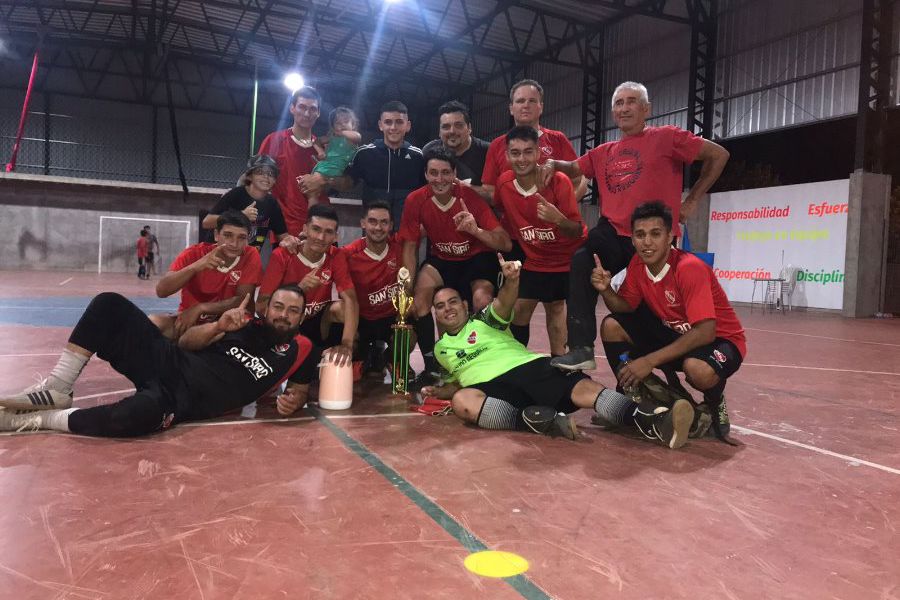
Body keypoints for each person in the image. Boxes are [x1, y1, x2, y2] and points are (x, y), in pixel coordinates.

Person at [544, 81, 730, 374]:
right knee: (581, 261)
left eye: (631, 102)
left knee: (645, 312)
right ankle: (580, 347)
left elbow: (719, 154)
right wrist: (552, 163)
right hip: (612, 233)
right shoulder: (604, 151)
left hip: (650, 239)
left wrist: (692, 199)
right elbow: (574, 168)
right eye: (619, 103)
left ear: (646, 109)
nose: (624, 108)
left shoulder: (667, 138)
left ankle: (653, 378)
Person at [419, 254, 694, 449]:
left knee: (584, 390)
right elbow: (458, 379)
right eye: (440, 306)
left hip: (525, 367)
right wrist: (442, 391)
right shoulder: (441, 350)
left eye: (453, 302)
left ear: (465, 305)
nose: (448, 308)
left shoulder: (483, 320)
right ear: (435, 314)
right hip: (490, 390)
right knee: (462, 402)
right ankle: (536, 421)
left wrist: (512, 281)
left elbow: (503, 303)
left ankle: (654, 420)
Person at [0, 286, 315, 435]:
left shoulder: (301, 348)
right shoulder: (243, 323)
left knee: (137, 416)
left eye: (292, 311)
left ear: (302, 315)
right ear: (267, 307)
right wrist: (219, 327)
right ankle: (58, 388)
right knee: (109, 303)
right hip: (168, 360)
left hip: (181, 400)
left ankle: (42, 420)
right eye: (278, 307)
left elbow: (300, 392)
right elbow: (186, 342)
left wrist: (295, 401)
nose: (283, 315)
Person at [590, 202, 746, 438]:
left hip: (720, 340)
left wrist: (648, 361)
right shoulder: (637, 264)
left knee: (698, 371)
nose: (647, 242)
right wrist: (606, 290)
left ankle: (715, 402)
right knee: (612, 325)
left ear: (670, 237)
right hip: (677, 334)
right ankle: (632, 400)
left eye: (655, 234)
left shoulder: (689, 268)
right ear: (632, 239)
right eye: (640, 235)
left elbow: (705, 332)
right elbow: (626, 306)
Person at [399, 148, 511, 382]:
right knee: (419, 302)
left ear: (455, 174)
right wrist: (405, 290)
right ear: (426, 174)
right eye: (433, 173)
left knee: (482, 301)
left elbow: (505, 243)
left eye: (445, 173)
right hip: (442, 258)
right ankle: (433, 366)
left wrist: (475, 230)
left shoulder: (470, 198)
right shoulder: (415, 200)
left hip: (476, 258)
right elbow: (410, 248)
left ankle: (484, 358)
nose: (439, 179)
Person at [493, 126, 586, 355]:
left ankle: (561, 365)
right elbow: (500, 211)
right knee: (520, 308)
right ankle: (514, 361)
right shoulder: (504, 184)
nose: (522, 159)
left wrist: (559, 219)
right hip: (535, 259)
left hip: (566, 260)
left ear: (538, 154)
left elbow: (576, 231)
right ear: (507, 156)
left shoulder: (559, 181)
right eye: (515, 153)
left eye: (528, 152)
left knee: (556, 308)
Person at [257, 204, 358, 367]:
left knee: (344, 308)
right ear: (305, 229)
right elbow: (261, 306)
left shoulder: (336, 256)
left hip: (318, 322)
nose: (321, 237)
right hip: (289, 321)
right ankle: (279, 356)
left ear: (335, 237)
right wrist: (299, 290)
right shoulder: (283, 255)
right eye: (316, 229)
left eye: (328, 232)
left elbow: (351, 299)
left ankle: (336, 357)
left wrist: (347, 344)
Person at [300, 100, 425, 228]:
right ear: (380, 125)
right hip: (374, 230)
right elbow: (347, 183)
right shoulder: (364, 153)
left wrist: (422, 222)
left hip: (406, 230)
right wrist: (325, 178)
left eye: (399, 122)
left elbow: (425, 194)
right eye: (388, 122)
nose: (393, 127)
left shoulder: (418, 156)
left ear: (408, 125)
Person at [151, 210, 263, 340]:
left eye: (241, 237)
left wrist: (201, 308)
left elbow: (242, 299)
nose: (234, 243)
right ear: (216, 235)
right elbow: (162, 291)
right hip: (189, 320)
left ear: (247, 239)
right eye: (228, 235)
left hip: (228, 323)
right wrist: (196, 267)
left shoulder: (250, 255)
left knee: (195, 339)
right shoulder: (194, 254)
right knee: (154, 322)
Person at [480, 79, 586, 201]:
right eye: (520, 101)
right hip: (510, 219)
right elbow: (489, 189)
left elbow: (578, 180)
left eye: (532, 101)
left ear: (541, 107)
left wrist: (562, 210)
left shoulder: (558, 139)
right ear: (511, 108)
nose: (526, 105)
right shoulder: (497, 145)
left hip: (551, 217)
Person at [340, 202, 405, 376]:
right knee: (360, 374)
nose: (378, 227)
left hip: (389, 318)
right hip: (362, 319)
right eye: (372, 221)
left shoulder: (399, 249)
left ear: (391, 226)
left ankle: (390, 358)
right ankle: (364, 354)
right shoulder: (348, 254)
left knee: (409, 334)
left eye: (384, 222)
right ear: (363, 223)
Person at [258, 86, 328, 235]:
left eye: (313, 109)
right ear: (292, 108)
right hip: (285, 228)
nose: (307, 113)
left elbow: (339, 184)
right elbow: (256, 179)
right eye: (302, 107)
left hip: (320, 228)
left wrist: (324, 180)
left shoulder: (324, 148)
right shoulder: (274, 140)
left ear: (318, 113)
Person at [202, 155, 300, 253]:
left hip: (247, 258)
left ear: (275, 180)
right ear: (249, 176)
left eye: (271, 174)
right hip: (218, 253)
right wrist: (241, 215)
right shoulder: (236, 194)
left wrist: (290, 240)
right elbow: (206, 223)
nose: (266, 177)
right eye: (260, 172)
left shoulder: (272, 204)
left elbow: (282, 235)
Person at [421, 100, 491, 201]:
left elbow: (495, 197)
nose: (452, 131)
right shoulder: (428, 151)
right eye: (446, 127)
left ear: (469, 128)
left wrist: (465, 188)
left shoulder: (487, 151)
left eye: (458, 125)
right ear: (439, 132)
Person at [307, 107, 362, 205]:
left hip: (338, 170)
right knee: (313, 192)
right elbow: (316, 141)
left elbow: (358, 137)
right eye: (338, 123)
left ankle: (313, 213)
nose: (342, 125)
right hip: (324, 167)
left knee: (315, 188)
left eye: (346, 121)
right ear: (333, 126)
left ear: (353, 124)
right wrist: (320, 152)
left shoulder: (352, 138)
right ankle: (312, 214)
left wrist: (341, 132)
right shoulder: (331, 138)